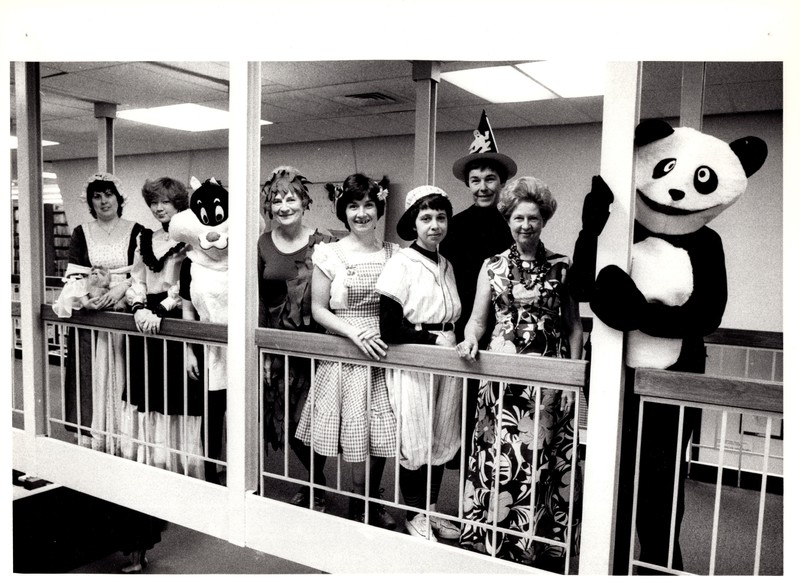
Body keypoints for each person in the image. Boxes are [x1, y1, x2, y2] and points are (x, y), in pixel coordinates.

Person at [455, 177, 583, 571]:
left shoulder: (563, 266)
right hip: (502, 384)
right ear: (507, 219)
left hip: (548, 383)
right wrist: (470, 340)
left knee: (542, 462)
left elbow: (574, 327)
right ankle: (494, 541)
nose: (526, 225)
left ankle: (540, 547)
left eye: (533, 218)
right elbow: (477, 320)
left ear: (543, 220)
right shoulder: (491, 266)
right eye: (518, 218)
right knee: (501, 459)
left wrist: (571, 379)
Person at [294, 173, 397, 529]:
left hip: (383, 352)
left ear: (379, 208)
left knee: (381, 434)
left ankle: (367, 502)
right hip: (345, 350)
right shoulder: (329, 253)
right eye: (354, 206)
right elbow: (319, 308)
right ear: (344, 211)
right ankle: (351, 501)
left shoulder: (393, 253)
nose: (362, 213)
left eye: (369, 205)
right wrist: (354, 332)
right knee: (352, 433)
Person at [375, 185, 462, 542]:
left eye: (441, 217)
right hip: (415, 358)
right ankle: (413, 514)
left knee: (441, 437)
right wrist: (429, 339)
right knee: (415, 440)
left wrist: (447, 340)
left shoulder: (446, 263)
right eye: (426, 218)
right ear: (413, 222)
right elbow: (389, 326)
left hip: (447, 354)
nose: (435, 225)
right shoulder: (401, 262)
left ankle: (430, 510)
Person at [438, 110, 517, 462]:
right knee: (466, 417)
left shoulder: (514, 224)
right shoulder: (454, 226)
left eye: (489, 179)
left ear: (501, 182)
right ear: (467, 185)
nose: (483, 186)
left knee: (504, 419)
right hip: (466, 330)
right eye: (475, 180)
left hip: (505, 333)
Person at [258, 166, 335, 511]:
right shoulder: (261, 242)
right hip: (277, 347)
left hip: (316, 345)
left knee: (314, 419)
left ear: (304, 202)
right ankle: (314, 481)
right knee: (287, 421)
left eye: (291, 198)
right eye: (277, 200)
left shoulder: (325, 242)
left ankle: (316, 485)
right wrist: (260, 351)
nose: (284, 205)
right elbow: (257, 298)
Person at [122, 177, 205, 479]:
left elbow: (186, 284)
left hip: (176, 316)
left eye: (165, 202)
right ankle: (152, 460)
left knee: (178, 394)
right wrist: (140, 308)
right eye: (154, 202)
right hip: (146, 322)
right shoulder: (146, 238)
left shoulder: (191, 239)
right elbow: (137, 279)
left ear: (179, 203)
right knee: (148, 390)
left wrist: (160, 310)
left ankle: (182, 466)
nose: (158, 208)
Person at [56, 172, 145, 454]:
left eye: (108, 195)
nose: (103, 201)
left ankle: (126, 439)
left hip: (126, 305)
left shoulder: (137, 230)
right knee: (93, 373)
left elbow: (142, 272)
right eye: (97, 196)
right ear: (90, 202)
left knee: (125, 370)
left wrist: (121, 290)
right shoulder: (82, 232)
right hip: (93, 314)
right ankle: (95, 436)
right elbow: (74, 274)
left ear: (119, 199)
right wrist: (86, 297)